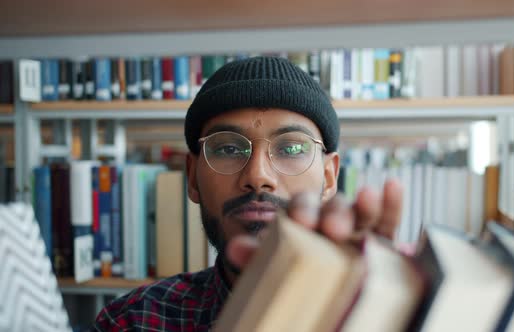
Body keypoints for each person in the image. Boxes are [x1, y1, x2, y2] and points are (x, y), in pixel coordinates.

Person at [93, 56, 402, 331]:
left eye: (291, 148)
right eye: (228, 148)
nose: (257, 176)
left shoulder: (389, 318)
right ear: (192, 177)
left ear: (329, 176)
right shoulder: (132, 321)